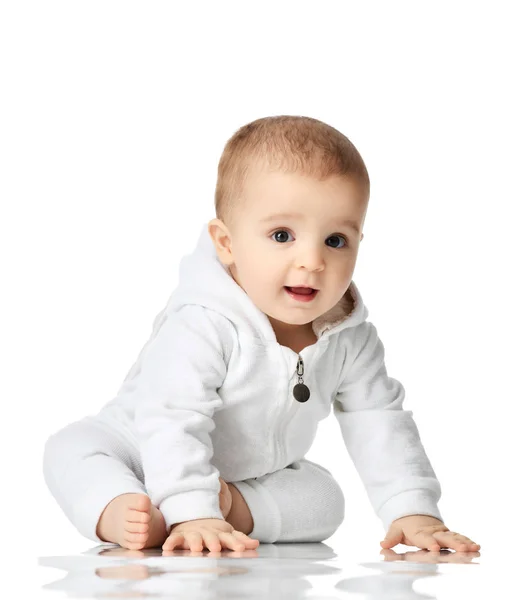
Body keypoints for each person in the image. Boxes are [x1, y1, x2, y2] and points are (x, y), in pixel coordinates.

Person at [43, 115, 480, 554]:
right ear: (226, 243)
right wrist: (193, 510)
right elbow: (171, 415)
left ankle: (226, 509)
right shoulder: (203, 321)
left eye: (335, 240)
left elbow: (380, 420)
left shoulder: (350, 338)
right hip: (137, 451)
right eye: (282, 235)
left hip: (244, 478)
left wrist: (413, 509)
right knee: (71, 450)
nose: (311, 260)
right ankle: (121, 509)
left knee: (324, 500)